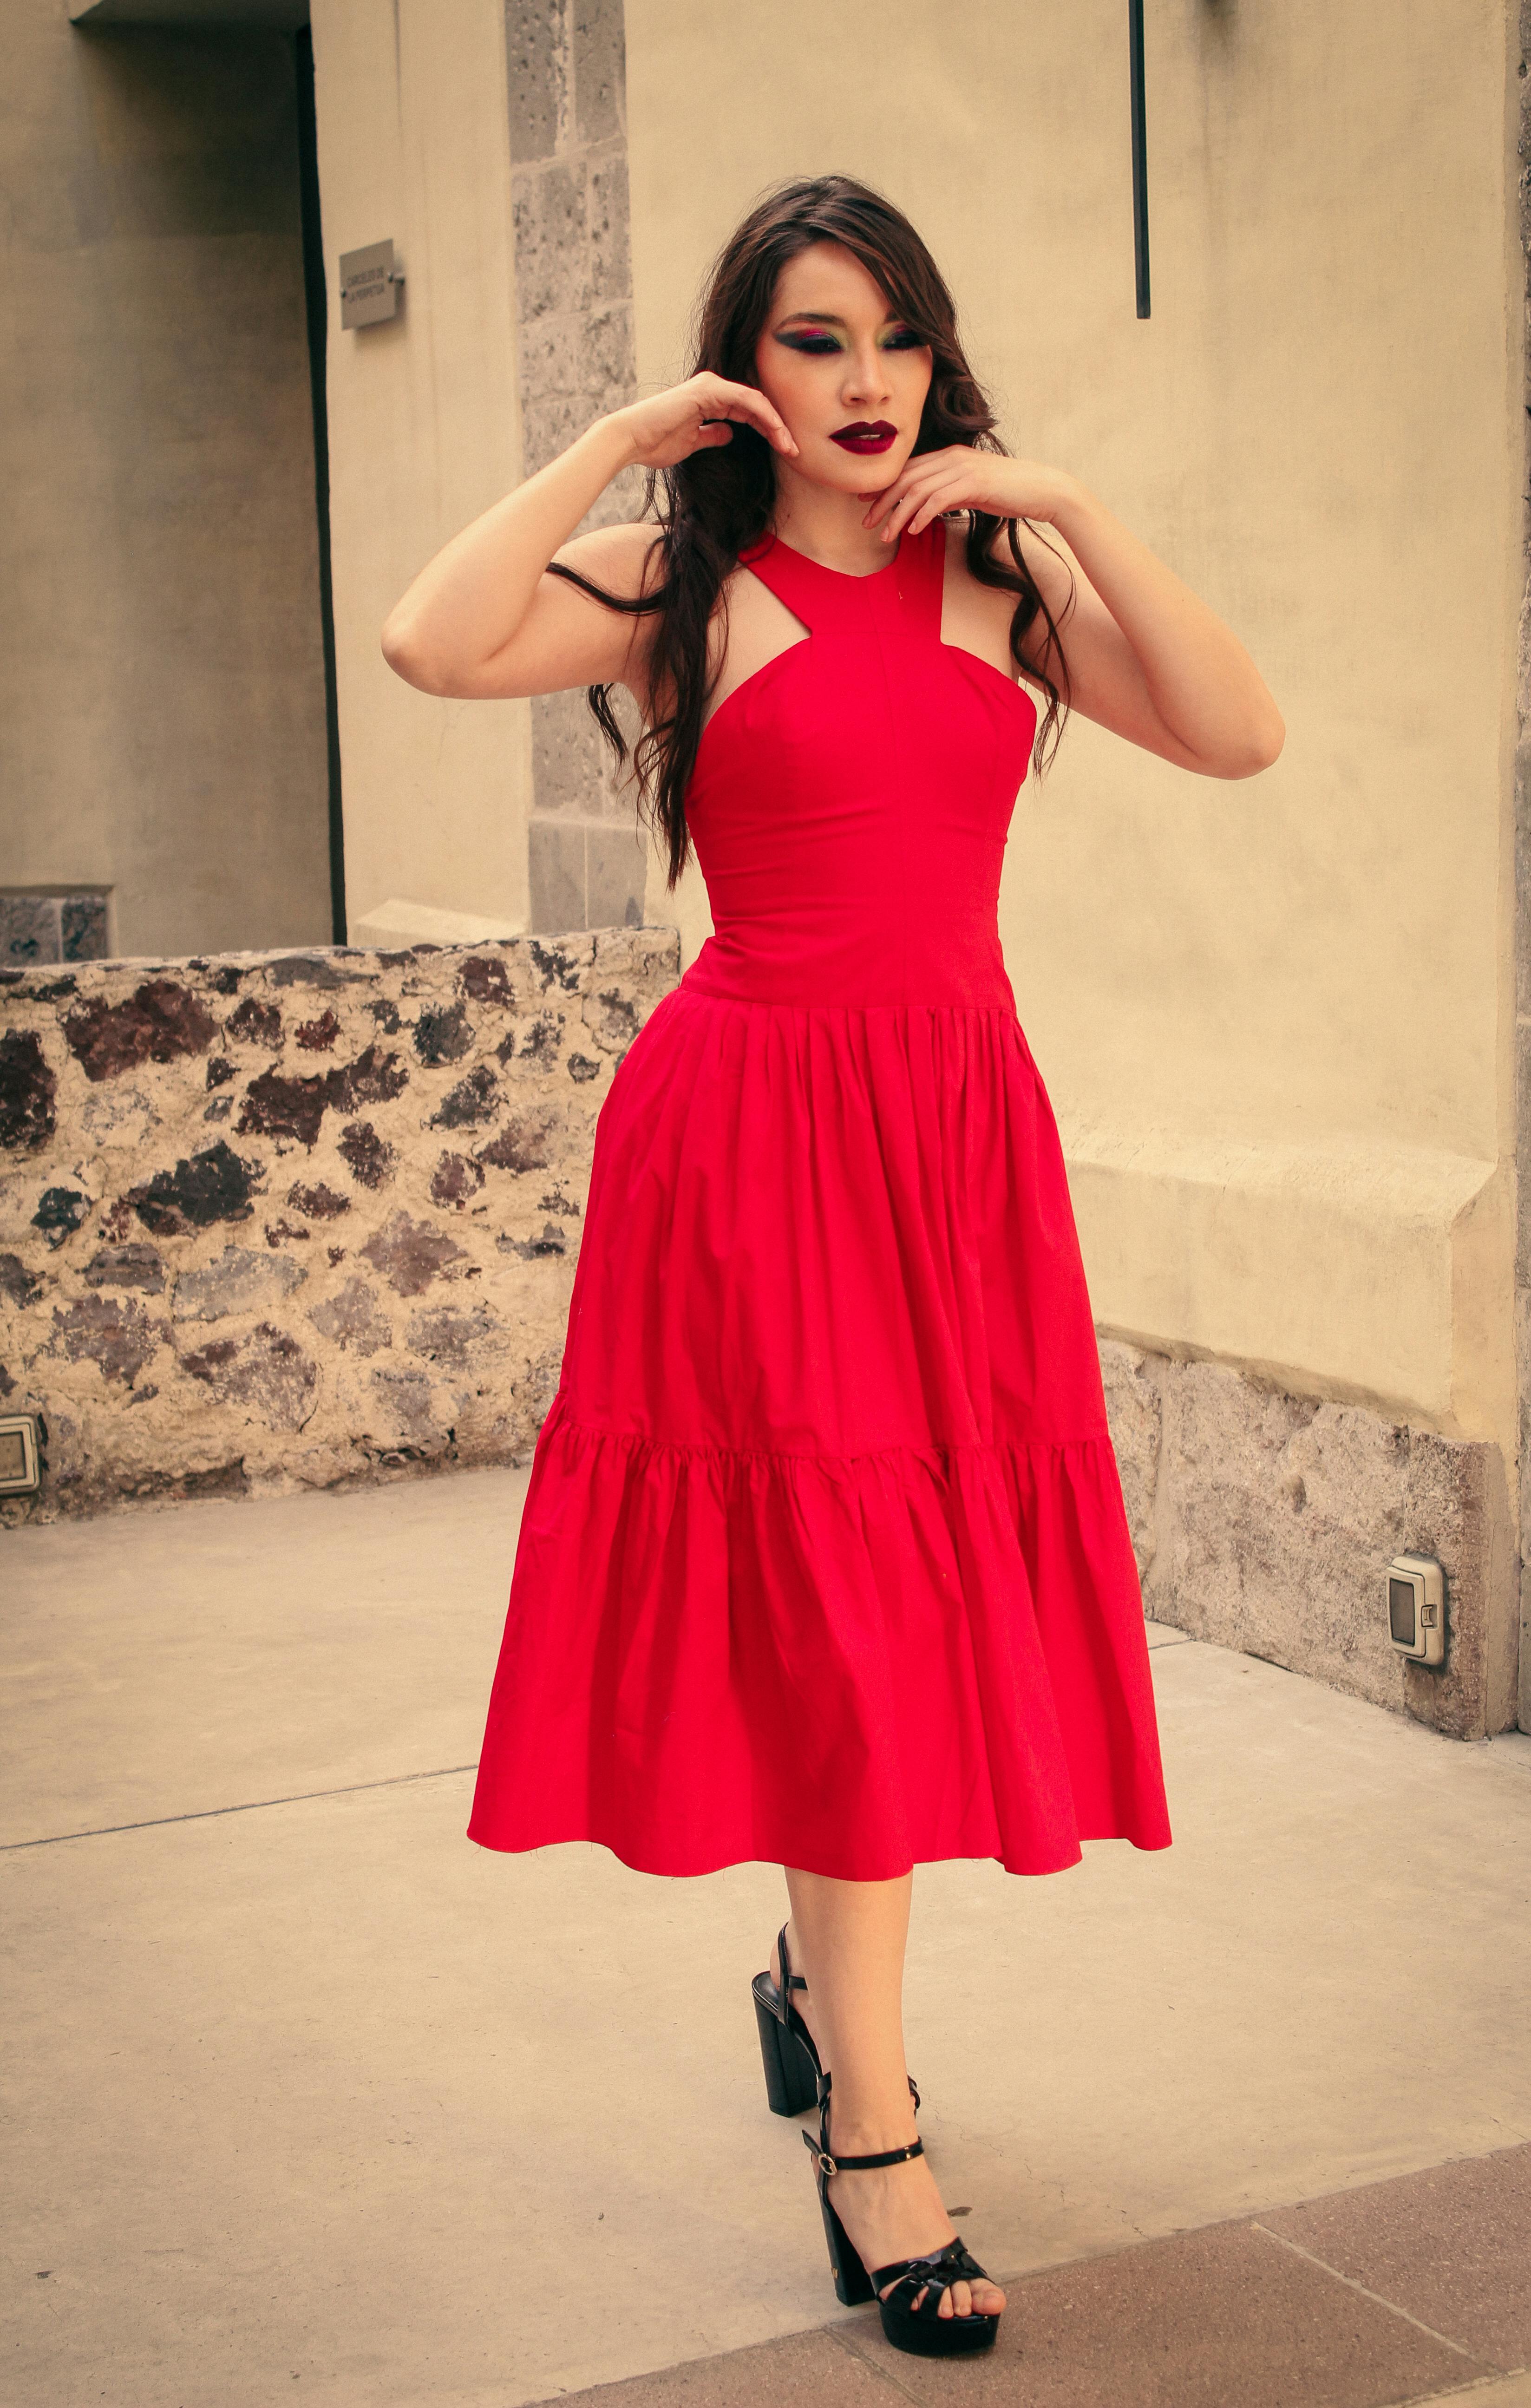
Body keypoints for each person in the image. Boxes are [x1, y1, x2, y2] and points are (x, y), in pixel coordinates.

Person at [380, 173, 1283, 2362]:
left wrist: (1072, 505)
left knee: (898, 1602)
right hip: (753, 1145)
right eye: (813, 338)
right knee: (842, 1617)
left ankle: (817, 1994)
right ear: (748, 368)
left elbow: (1238, 728)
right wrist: (619, 446)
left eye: (895, 336)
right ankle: (872, 2128)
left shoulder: (999, 582)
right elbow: (430, 641)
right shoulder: (683, 582)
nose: (866, 381)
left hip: (954, 1144)